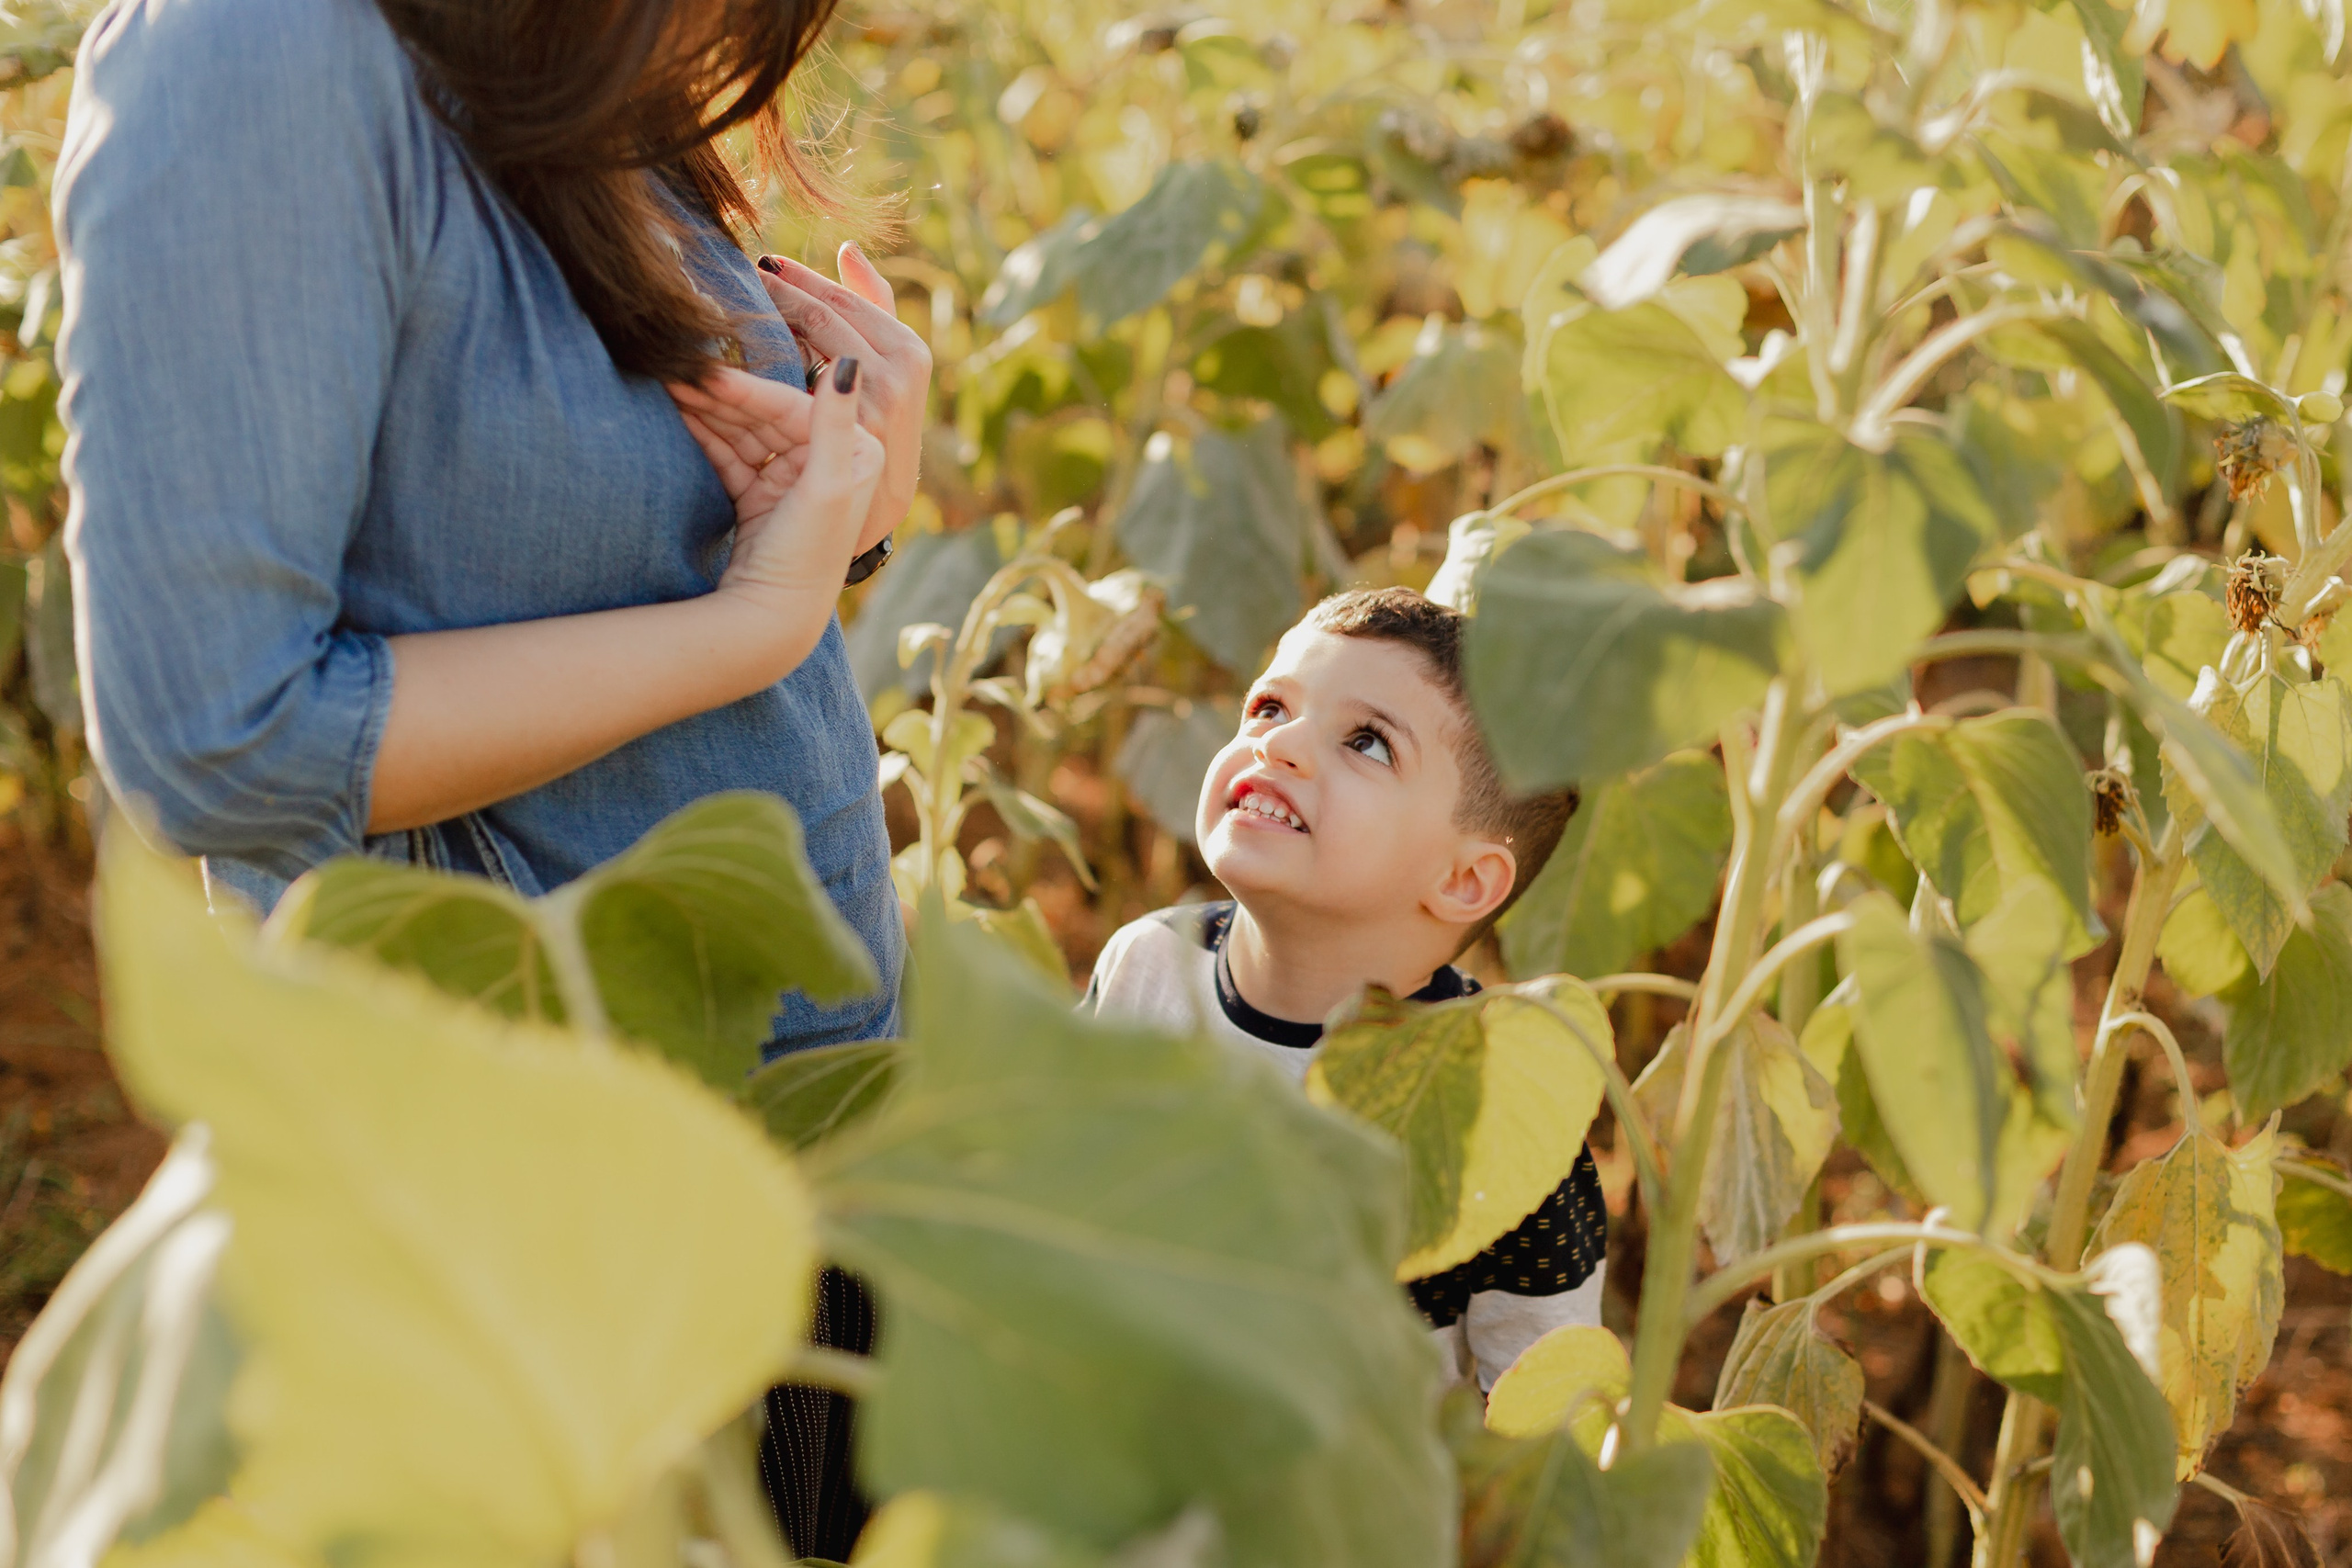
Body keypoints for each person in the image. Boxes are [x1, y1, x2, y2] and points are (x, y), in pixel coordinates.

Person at [54, 0, 923, 1553]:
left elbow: (570, 545)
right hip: (544, 1202)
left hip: (791, 1120)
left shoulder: (540, 39)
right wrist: (746, 626)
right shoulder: (262, 52)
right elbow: (224, 738)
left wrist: (852, 505)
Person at [1082, 588, 1606, 1392]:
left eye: (1367, 742)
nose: (1280, 743)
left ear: (1464, 880)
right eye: (1269, 707)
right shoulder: (1147, 965)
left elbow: (1541, 1409)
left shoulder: (1498, 1108)